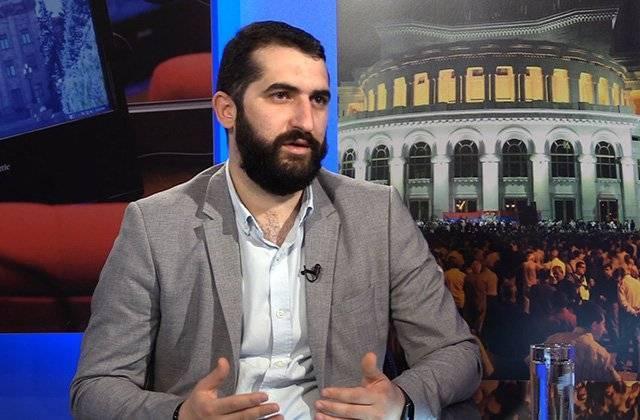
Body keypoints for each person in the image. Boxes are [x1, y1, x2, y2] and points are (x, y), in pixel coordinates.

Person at [70, 21, 481, 419]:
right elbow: (97, 387)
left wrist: (402, 401)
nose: (305, 120)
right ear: (227, 110)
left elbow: (457, 354)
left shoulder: (377, 213)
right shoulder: (155, 225)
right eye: (281, 95)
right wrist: (179, 415)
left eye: (318, 99)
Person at [544, 302, 620, 382]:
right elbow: (616, 383)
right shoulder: (599, 353)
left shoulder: (552, 339)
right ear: (594, 325)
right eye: (603, 324)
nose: (604, 330)